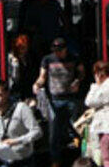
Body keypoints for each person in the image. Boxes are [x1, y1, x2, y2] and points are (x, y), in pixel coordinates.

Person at [35, 37, 85, 167]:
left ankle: (82, 158)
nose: (57, 53)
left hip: (71, 98)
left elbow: (82, 73)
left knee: (77, 128)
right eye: (55, 50)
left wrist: (77, 81)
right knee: (54, 132)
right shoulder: (47, 60)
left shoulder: (74, 57)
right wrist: (37, 84)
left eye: (60, 50)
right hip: (54, 99)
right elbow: (42, 77)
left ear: (65, 49)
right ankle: (55, 161)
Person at [0, 81, 42, 167]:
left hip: (23, 160)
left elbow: (37, 132)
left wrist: (17, 141)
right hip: (3, 159)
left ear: (7, 94)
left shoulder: (21, 108)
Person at [6, 34, 35, 102]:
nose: (24, 50)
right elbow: (14, 77)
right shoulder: (11, 58)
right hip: (15, 89)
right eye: (21, 47)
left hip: (26, 88)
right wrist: (15, 66)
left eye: (25, 47)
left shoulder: (28, 57)